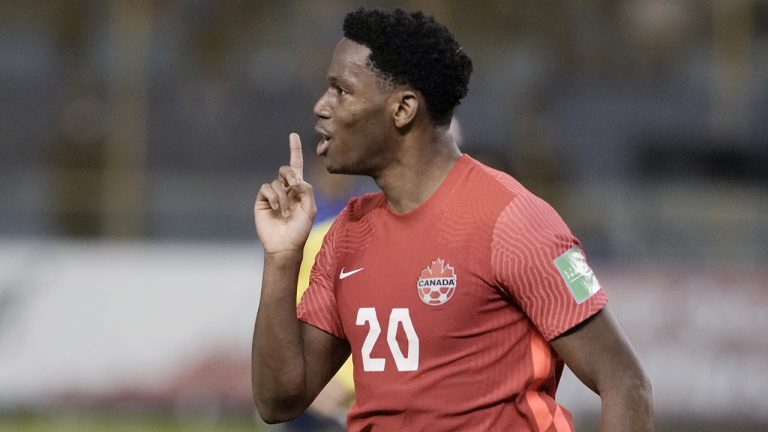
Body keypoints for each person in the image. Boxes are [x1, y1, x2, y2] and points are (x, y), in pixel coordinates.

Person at [252, 8, 652, 432]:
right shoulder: (346, 235)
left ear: (403, 109)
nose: (320, 106)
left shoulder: (513, 222)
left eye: (341, 91)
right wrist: (281, 257)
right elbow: (278, 401)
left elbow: (626, 383)